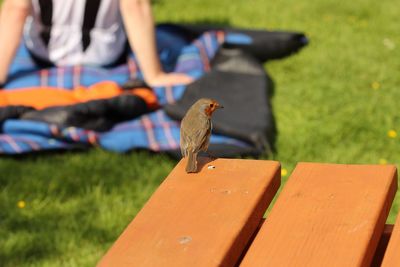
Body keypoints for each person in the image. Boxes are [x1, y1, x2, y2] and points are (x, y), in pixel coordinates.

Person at [0, 0, 193, 87]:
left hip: (42, 53)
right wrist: (155, 75)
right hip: (103, 55)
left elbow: (16, 9)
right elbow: (135, 6)